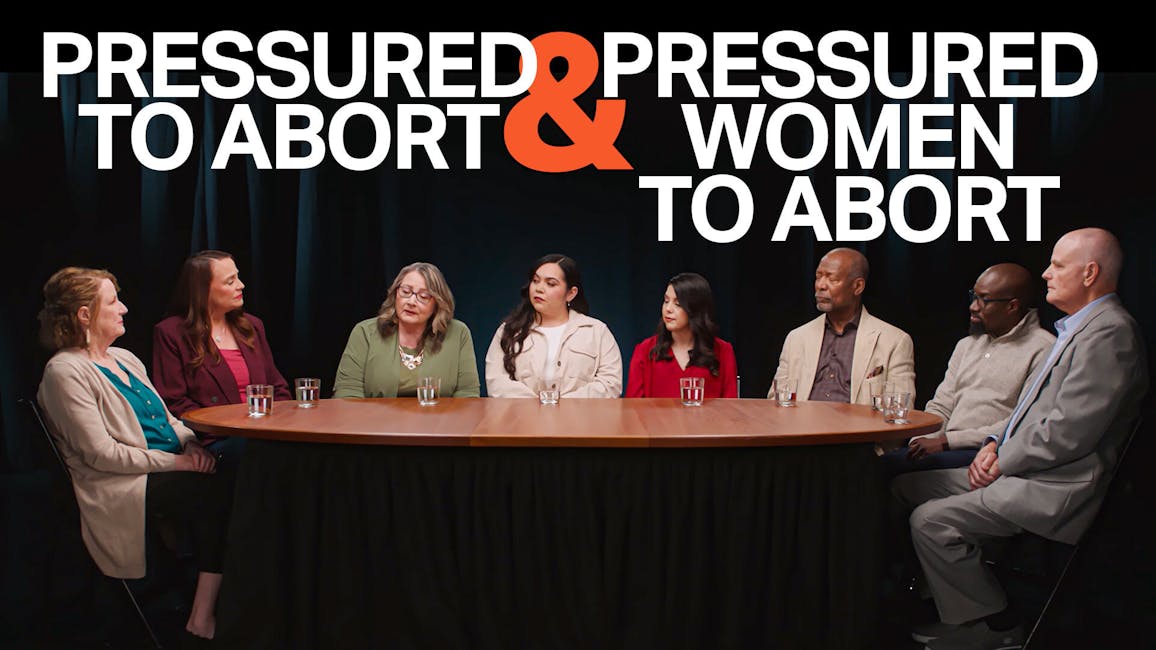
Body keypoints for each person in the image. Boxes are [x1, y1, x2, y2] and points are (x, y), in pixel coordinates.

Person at [892, 228, 1149, 650]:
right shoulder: (1080, 329)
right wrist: (994, 441)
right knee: (905, 486)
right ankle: (946, 592)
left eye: (1058, 265)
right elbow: (1031, 414)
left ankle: (992, 625)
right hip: (1026, 469)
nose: (1046, 273)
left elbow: (1067, 435)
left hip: (1054, 486)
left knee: (931, 520)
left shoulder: (1110, 334)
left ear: (1089, 273)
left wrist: (999, 459)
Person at [36, 267, 233, 641]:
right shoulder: (64, 372)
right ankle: (202, 616)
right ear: (85, 314)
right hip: (124, 482)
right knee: (222, 494)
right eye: (113, 301)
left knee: (241, 466)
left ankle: (231, 600)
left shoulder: (125, 358)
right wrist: (180, 462)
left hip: (170, 465)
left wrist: (190, 443)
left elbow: (169, 420)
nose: (124, 308)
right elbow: (102, 455)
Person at [881, 263, 1056, 476]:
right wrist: (921, 440)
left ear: (1012, 306)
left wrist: (947, 442)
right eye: (974, 296)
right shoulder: (966, 345)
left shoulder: (1044, 349)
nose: (973, 306)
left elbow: (1021, 421)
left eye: (985, 300)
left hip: (986, 452)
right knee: (869, 466)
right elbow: (941, 405)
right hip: (944, 446)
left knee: (884, 472)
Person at [152, 250, 290, 461]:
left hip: (266, 432)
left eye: (238, 277)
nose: (241, 285)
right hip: (216, 440)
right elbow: (174, 401)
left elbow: (277, 387)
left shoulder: (252, 326)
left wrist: (277, 423)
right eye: (230, 281)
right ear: (203, 291)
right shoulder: (171, 333)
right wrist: (231, 426)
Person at [769, 247, 916, 407]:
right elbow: (775, 404)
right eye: (818, 277)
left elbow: (900, 408)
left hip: (860, 430)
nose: (821, 286)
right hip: (802, 429)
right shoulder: (796, 338)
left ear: (858, 286)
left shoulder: (894, 341)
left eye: (832, 279)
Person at [333, 261, 480, 398]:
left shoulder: (458, 333)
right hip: (375, 423)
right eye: (405, 291)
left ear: (437, 303)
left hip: (439, 423)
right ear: (395, 293)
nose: (411, 302)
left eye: (423, 296)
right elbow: (348, 392)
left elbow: (467, 394)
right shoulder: (365, 332)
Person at [485, 253, 622, 398]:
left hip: (580, 419)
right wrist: (536, 407)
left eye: (550, 284)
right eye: (535, 281)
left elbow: (610, 383)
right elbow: (497, 382)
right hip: (523, 418)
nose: (539, 288)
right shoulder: (509, 330)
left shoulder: (597, 332)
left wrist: (563, 406)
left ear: (570, 293)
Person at [626, 272, 738, 398]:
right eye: (666, 301)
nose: (668, 309)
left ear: (696, 309)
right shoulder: (645, 350)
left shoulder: (723, 351)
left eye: (677, 304)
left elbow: (730, 408)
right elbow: (634, 408)